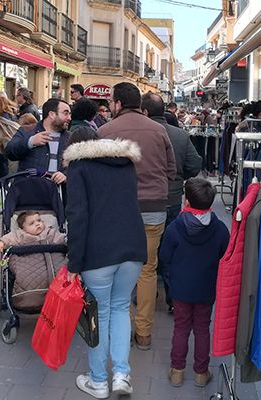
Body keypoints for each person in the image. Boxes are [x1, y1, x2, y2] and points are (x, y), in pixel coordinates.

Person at [63, 129, 146, 399]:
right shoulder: (126, 163)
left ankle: (98, 381)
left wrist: (73, 262)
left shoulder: (79, 167)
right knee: (121, 308)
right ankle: (122, 374)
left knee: (98, 316)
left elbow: (77, 215)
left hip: (97, 252)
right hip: (132, 246)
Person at [97, 82, 176, 350]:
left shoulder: (104, 131)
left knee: (117, 269)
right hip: (154, 207)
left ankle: (119, 327)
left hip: (119, 210)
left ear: (117, 103)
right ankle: (144, 333)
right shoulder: (159, 129)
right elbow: (171, 169)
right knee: (147, 270)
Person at [159, 178, 229, 388]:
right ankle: (201, 372)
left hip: (180, 289)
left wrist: (171, 280)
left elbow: (164, 257)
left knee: (180, 328)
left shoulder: (174, 228)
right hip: (206, 289)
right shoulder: (220, 230)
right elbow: (225, 258)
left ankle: (177, 371)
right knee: (202, 328)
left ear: (187, 201)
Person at [140, 93, 202, 313]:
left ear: (144, 111)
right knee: (171, 249)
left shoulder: (140, 133)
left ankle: (144, 293)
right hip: (172, 197)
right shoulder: (179, 135)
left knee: (144, 250)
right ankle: (173, 298)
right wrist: (178, 176)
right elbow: (195, 164)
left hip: (142, 201)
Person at [5, 98, 71, 184]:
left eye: (70, 114)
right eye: (65, 113)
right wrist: (30, 142)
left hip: (57, 192)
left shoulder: (70, 138)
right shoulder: (27, 131)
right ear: (52, 114)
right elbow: (10, 152)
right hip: (29, 190)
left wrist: (66, 175)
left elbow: (78, 166)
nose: (69, 118)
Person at [0, 211, 65, 255]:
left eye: (39, 220)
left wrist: (68, 239)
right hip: (27, 259)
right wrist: (2, 243)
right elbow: (9, 238)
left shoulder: (49, 232)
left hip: (51, 256)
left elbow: (60, 238)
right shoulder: (21, 235)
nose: (37, 224)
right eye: (32, 223)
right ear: (23, 229)